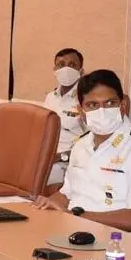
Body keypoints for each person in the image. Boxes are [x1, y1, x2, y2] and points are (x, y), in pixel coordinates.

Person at [33, 69, 131, 237]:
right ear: (80, 111)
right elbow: (67, 194)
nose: (102, 111)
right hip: (77, 233)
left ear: (123, 105)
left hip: (122, 245)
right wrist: (50, 203)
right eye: (92, 105)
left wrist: (77, 217)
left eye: (110, 103)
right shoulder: (81, 145)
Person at [44, 48, 86, 186]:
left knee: (42, 174)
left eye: (72, 65)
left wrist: (61, 157)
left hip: (67, 161)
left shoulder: (86, 100)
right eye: (61, 65)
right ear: (55, 70)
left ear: (81, 71)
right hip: (46, 156)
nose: (66, 69)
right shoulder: (50, 97)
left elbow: (92, 141)